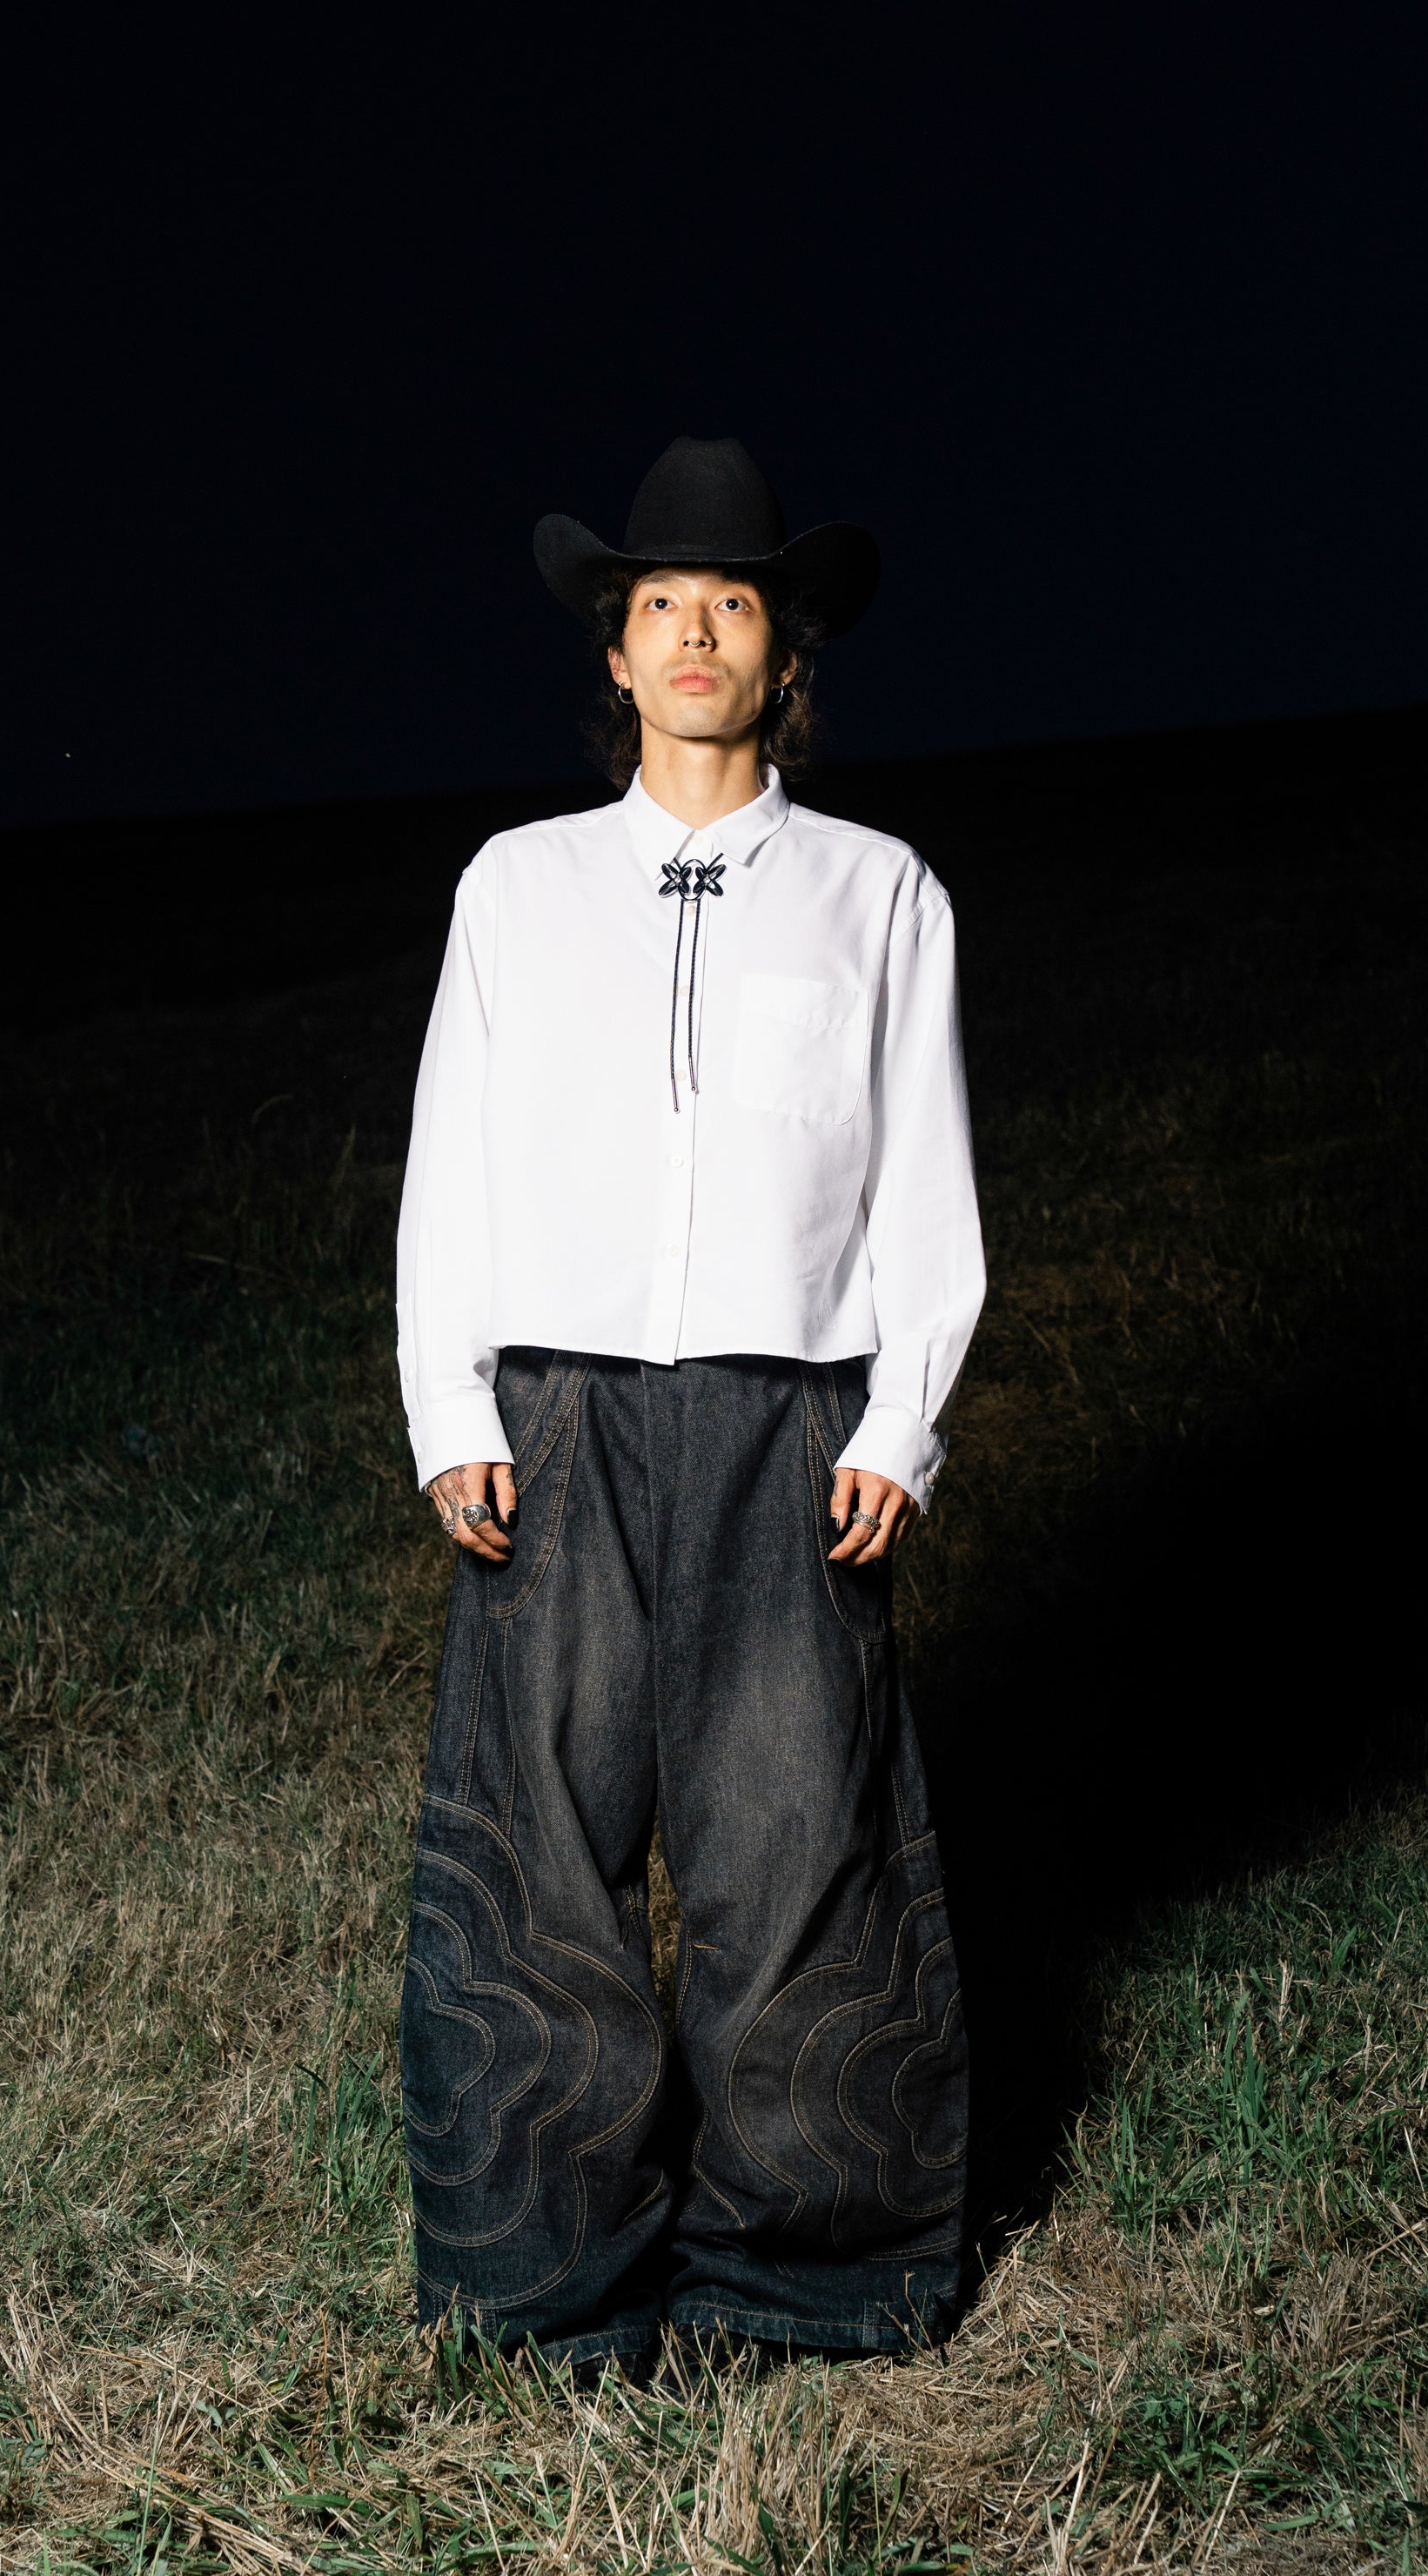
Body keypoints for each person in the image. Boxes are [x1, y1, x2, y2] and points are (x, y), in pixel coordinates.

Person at [393, 435, 986, 2383]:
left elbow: (923, 1181)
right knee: (537, 1842)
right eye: (663, 603)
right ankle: (542, 2275)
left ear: (782, 653)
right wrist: (447, 1400)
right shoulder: (518, 888)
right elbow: (450, 1165)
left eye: (735, 600)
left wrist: (899, 1420)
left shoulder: (879, 894)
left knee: (794, 1838)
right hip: (557, 1413)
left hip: (787, 1413)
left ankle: (809, 2275)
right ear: (620, 654)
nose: (699, 632)